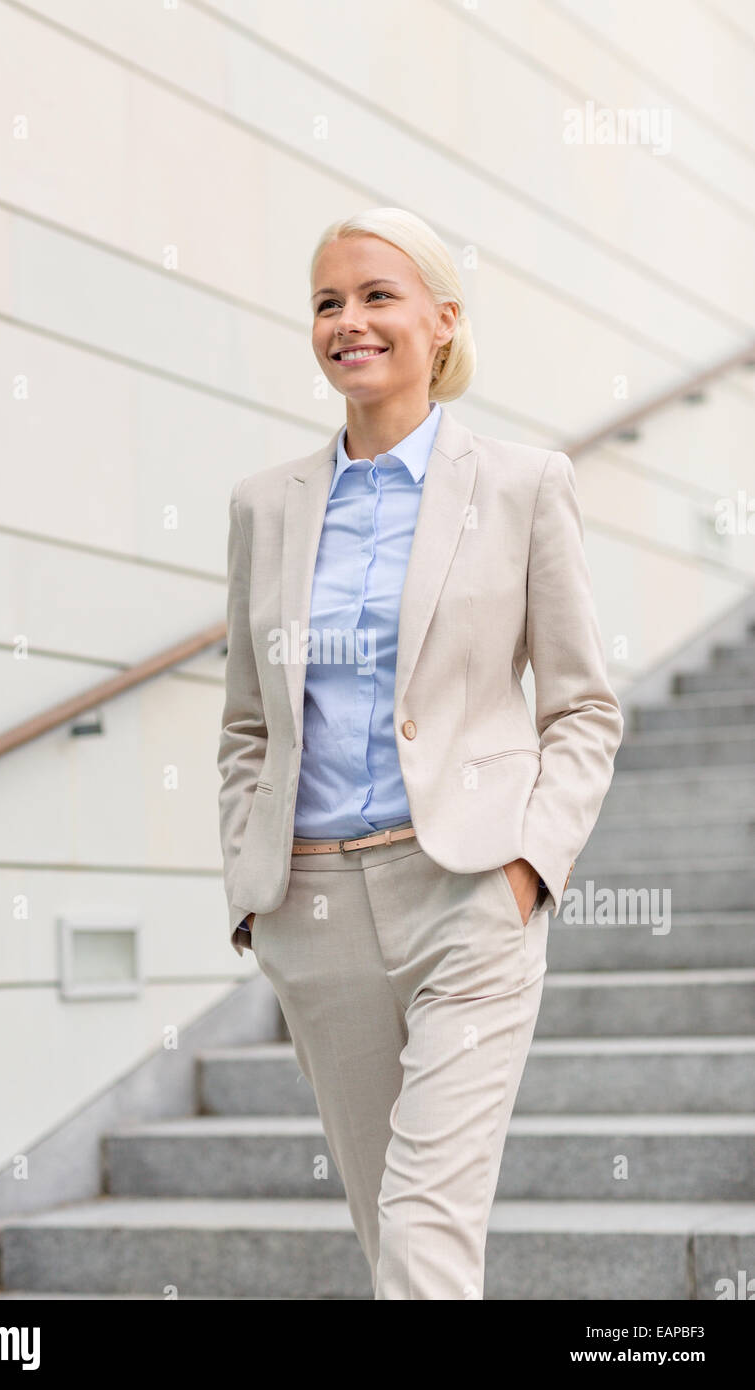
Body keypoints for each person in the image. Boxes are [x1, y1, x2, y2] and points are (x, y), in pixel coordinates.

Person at [217, 206, 623, 1299]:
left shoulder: (523, 485)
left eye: (375, 295)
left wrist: (529, 867)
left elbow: (582, 706)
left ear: (441, 322)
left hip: (466, 896)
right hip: (311, 907)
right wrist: (249, 887)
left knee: (421, 1230)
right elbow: (248, 724)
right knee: (381, 1226)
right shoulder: (265, 508)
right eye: (326, 302)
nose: (348, 321)